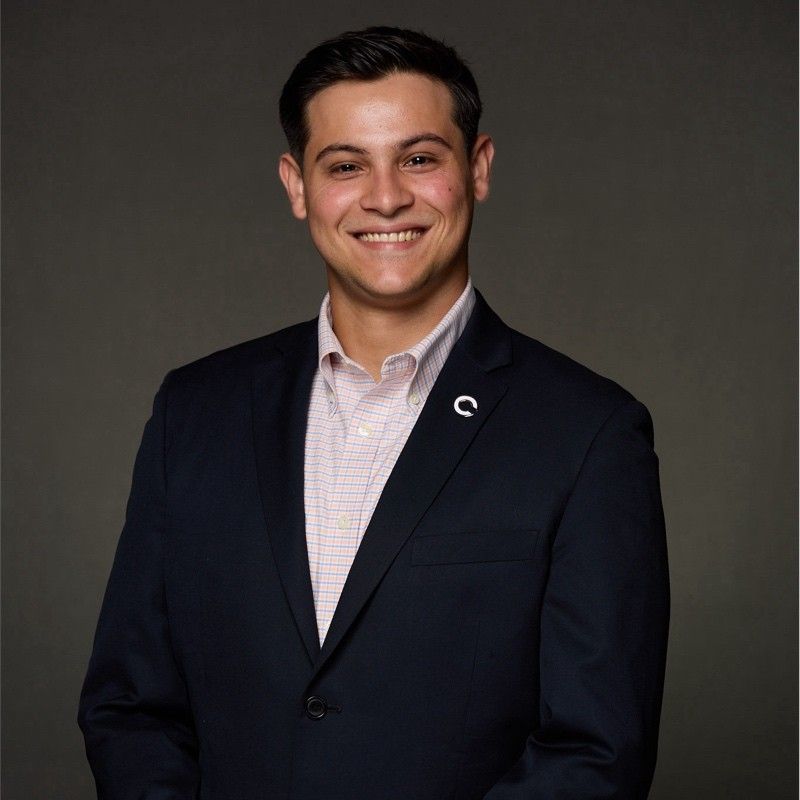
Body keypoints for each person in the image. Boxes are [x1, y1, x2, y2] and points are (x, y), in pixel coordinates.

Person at [78, 26, 670, 800]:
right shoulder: (196, 412)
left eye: (419, 159)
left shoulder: (589, 433)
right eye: (346, 165)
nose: (385, 196)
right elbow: (130, 708)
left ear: (477, 168)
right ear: (297, 186)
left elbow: (596, 753)